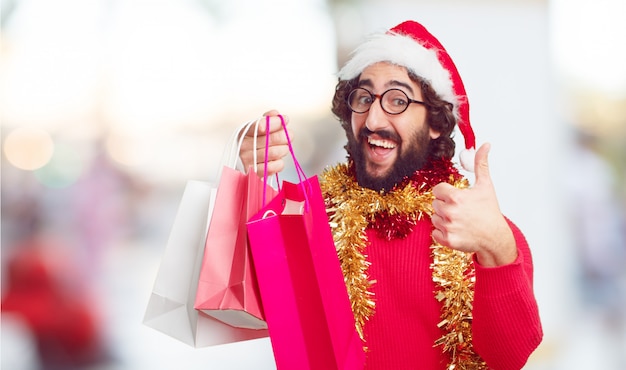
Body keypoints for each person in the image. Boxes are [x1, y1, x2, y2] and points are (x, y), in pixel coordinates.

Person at [239, 20, 542, 370]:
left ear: (436, 123)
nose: (372, 119)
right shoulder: (307, 210)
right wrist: (247, 178)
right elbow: (229, 305)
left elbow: (510, 359)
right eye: (363, 98)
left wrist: (498, 248)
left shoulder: (479, 224)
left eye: (397, 100)